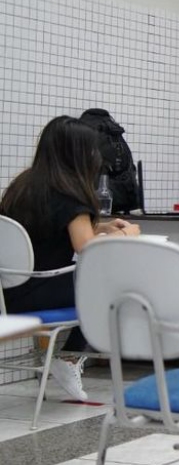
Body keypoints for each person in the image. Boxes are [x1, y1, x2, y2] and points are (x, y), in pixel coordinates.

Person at [0, 115, 142, 401]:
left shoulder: (22, 187)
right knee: (115, 288)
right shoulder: (69, 194)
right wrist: (127, 234)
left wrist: (101, 226)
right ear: (78, 155)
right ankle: (68, 359)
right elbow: (87, 248)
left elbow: (49, 230)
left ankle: (66, 360)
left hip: (9, 294)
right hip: (43, 294)